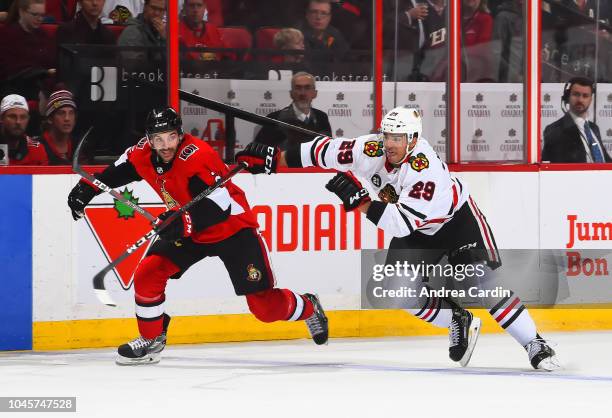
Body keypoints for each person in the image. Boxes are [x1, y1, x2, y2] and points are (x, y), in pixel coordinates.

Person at [236, 106, 560, 371]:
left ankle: (534, 342)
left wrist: (362, 203)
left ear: (413, 139)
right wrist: (277, 161)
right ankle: (456, 318)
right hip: (416, 227)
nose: (390, 143)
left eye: (398, 137)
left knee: (482, 284)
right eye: (387, 135)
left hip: (456, 223)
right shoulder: (371, 148)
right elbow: (326, 150)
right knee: (400, 291)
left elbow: (401, 224)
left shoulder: (425, 168)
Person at [66, 107, 329, 365]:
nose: (165, 145)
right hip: (189, 228)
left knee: (265, 309)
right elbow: (119, 170)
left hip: (232, 229)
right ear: (148, 139)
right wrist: (84, 190)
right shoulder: (143, 153)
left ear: (180, 134)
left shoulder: (198, 156)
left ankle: (308, 306)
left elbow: (220, 206)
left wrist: (181, 224)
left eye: (170, 136)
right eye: (158, 139)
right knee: (148, 273)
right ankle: (151, 339)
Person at [254, 72, 331, 150]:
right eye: (298, 88)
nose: (303, 93)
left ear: (315, 93)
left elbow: (328, 150)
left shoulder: (322, 117)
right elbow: (260, 151)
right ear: (291, 93)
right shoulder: (274, 119)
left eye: (307, 88)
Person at [543, 77, 611, 163]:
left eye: (585, 96)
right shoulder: (554, 130)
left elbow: (605, 160)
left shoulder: (594, 128)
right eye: (576, 94)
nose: (580, 100)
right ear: (567, 97)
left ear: (591, 99)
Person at [0, 0, 56, 100]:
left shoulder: (43, 35)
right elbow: (10, 71)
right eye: (35, 14)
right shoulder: (7, 34)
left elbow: (50, 61)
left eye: (42, 15)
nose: (40, 19)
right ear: (22, 12)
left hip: (41, 86)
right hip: (14, 88)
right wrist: (44, 72)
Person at [0, 94, 49, 165]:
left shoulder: (37, 150)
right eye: (12, 116)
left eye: (23, 117)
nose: (18, 122)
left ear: (28, 119)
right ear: (1, 118)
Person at [37, 89, 80, 165]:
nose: (67, 118)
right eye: (61, 113)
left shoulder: (80, 147)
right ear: (50, 119)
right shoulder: (37, 147)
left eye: (71, 113)